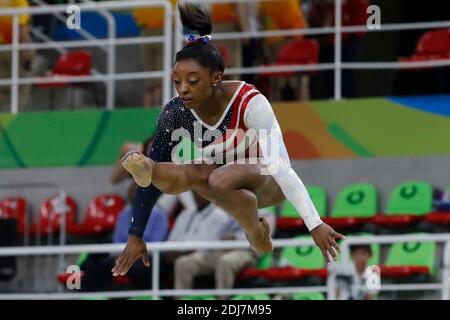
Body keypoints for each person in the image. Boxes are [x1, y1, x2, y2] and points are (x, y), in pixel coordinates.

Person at [112, 3, 344, 278]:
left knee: (219, 177)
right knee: (187, 172)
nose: (183, 88)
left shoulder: (250, 103)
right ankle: (150, 169)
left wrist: (314, 224)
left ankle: (256, 234)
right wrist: (136, 235)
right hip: (220, 186)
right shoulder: (175, 112)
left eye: (193, 81)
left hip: (266, 180)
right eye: (177, 81)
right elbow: (152, 188)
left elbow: (280, 167)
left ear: (216, 78)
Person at [80, 183, 168, 291]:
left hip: (145, 258)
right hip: (122, 257)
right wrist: (123, 256)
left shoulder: (159, 215)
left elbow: (157, 242)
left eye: (138, 193)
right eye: (132, 193)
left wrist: (132, 255)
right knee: (91, 266)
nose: (135, 196)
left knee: (142, 269)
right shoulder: (123, 215)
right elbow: (117, 241)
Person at [173, 202, 275, 295]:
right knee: (184, 262)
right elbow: (220, 233)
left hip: (247, 252)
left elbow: (262, 238)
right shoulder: (233, 211)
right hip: (222, 250)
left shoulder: (266, 214)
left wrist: (235, 239)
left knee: (225, 262)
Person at [0, 0, 34, 111]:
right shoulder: (19, 2)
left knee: (3, 86)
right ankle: (17, 117)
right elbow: (22, 28)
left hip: (2, 47)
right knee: (23, 85)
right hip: (15, 47)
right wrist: (27, 51)